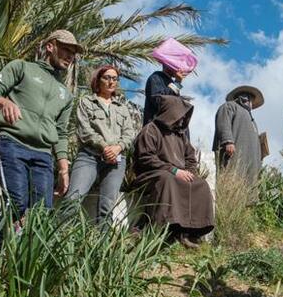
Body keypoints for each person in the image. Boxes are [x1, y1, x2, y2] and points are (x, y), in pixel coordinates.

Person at [0, 30, 82, 237]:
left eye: (73, 53)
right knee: (16, 202)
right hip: (12, 143)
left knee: (42, 213)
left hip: (43, 155)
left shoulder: (65, 95)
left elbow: (60, 132)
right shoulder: (21, 67)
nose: (70, 56)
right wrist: (4, 101)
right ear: (50, 46)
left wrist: (63, 168)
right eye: (66, 49)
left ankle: (19, 263)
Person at [133, 95, 214, 248]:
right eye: (179, 115)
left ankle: (188, 232)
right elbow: (146, 158)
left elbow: (190, 158)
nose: (182, 120)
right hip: (151, 174)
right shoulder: (150, 130)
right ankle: (160, 230)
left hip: (176, 174)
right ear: (170, 112)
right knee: (168, 179)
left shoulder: (180, 135)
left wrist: (188, 173)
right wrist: (174, 170)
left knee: (201, 185)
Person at [64, 65, 135, 223]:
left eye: (115, 79)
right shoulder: (87, 102)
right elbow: (84, 130)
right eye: (107, 78)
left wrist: (118, 148)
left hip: (116, 160)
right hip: (89, 156)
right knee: (72, 199)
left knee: (107, 207)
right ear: (98, 80)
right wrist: (105, 147)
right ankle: (61, 239)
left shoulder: (122, 108)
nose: (111, 82)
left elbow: (129, 134)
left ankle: (102, 246)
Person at [212, 85, 264, 185]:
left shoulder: (252, 120)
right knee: (231, 180)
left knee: (249, 187)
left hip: (250, 161)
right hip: (233, 154)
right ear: (245, 98)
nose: (251, 104)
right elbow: (223, 122)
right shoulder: (230, 106)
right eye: (250, 99)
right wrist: (228, 141)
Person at [143, 38, 197, 126]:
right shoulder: (156, 77)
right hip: (156, 131)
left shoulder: (170, 81)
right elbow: (160, 101)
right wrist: (177, 83)